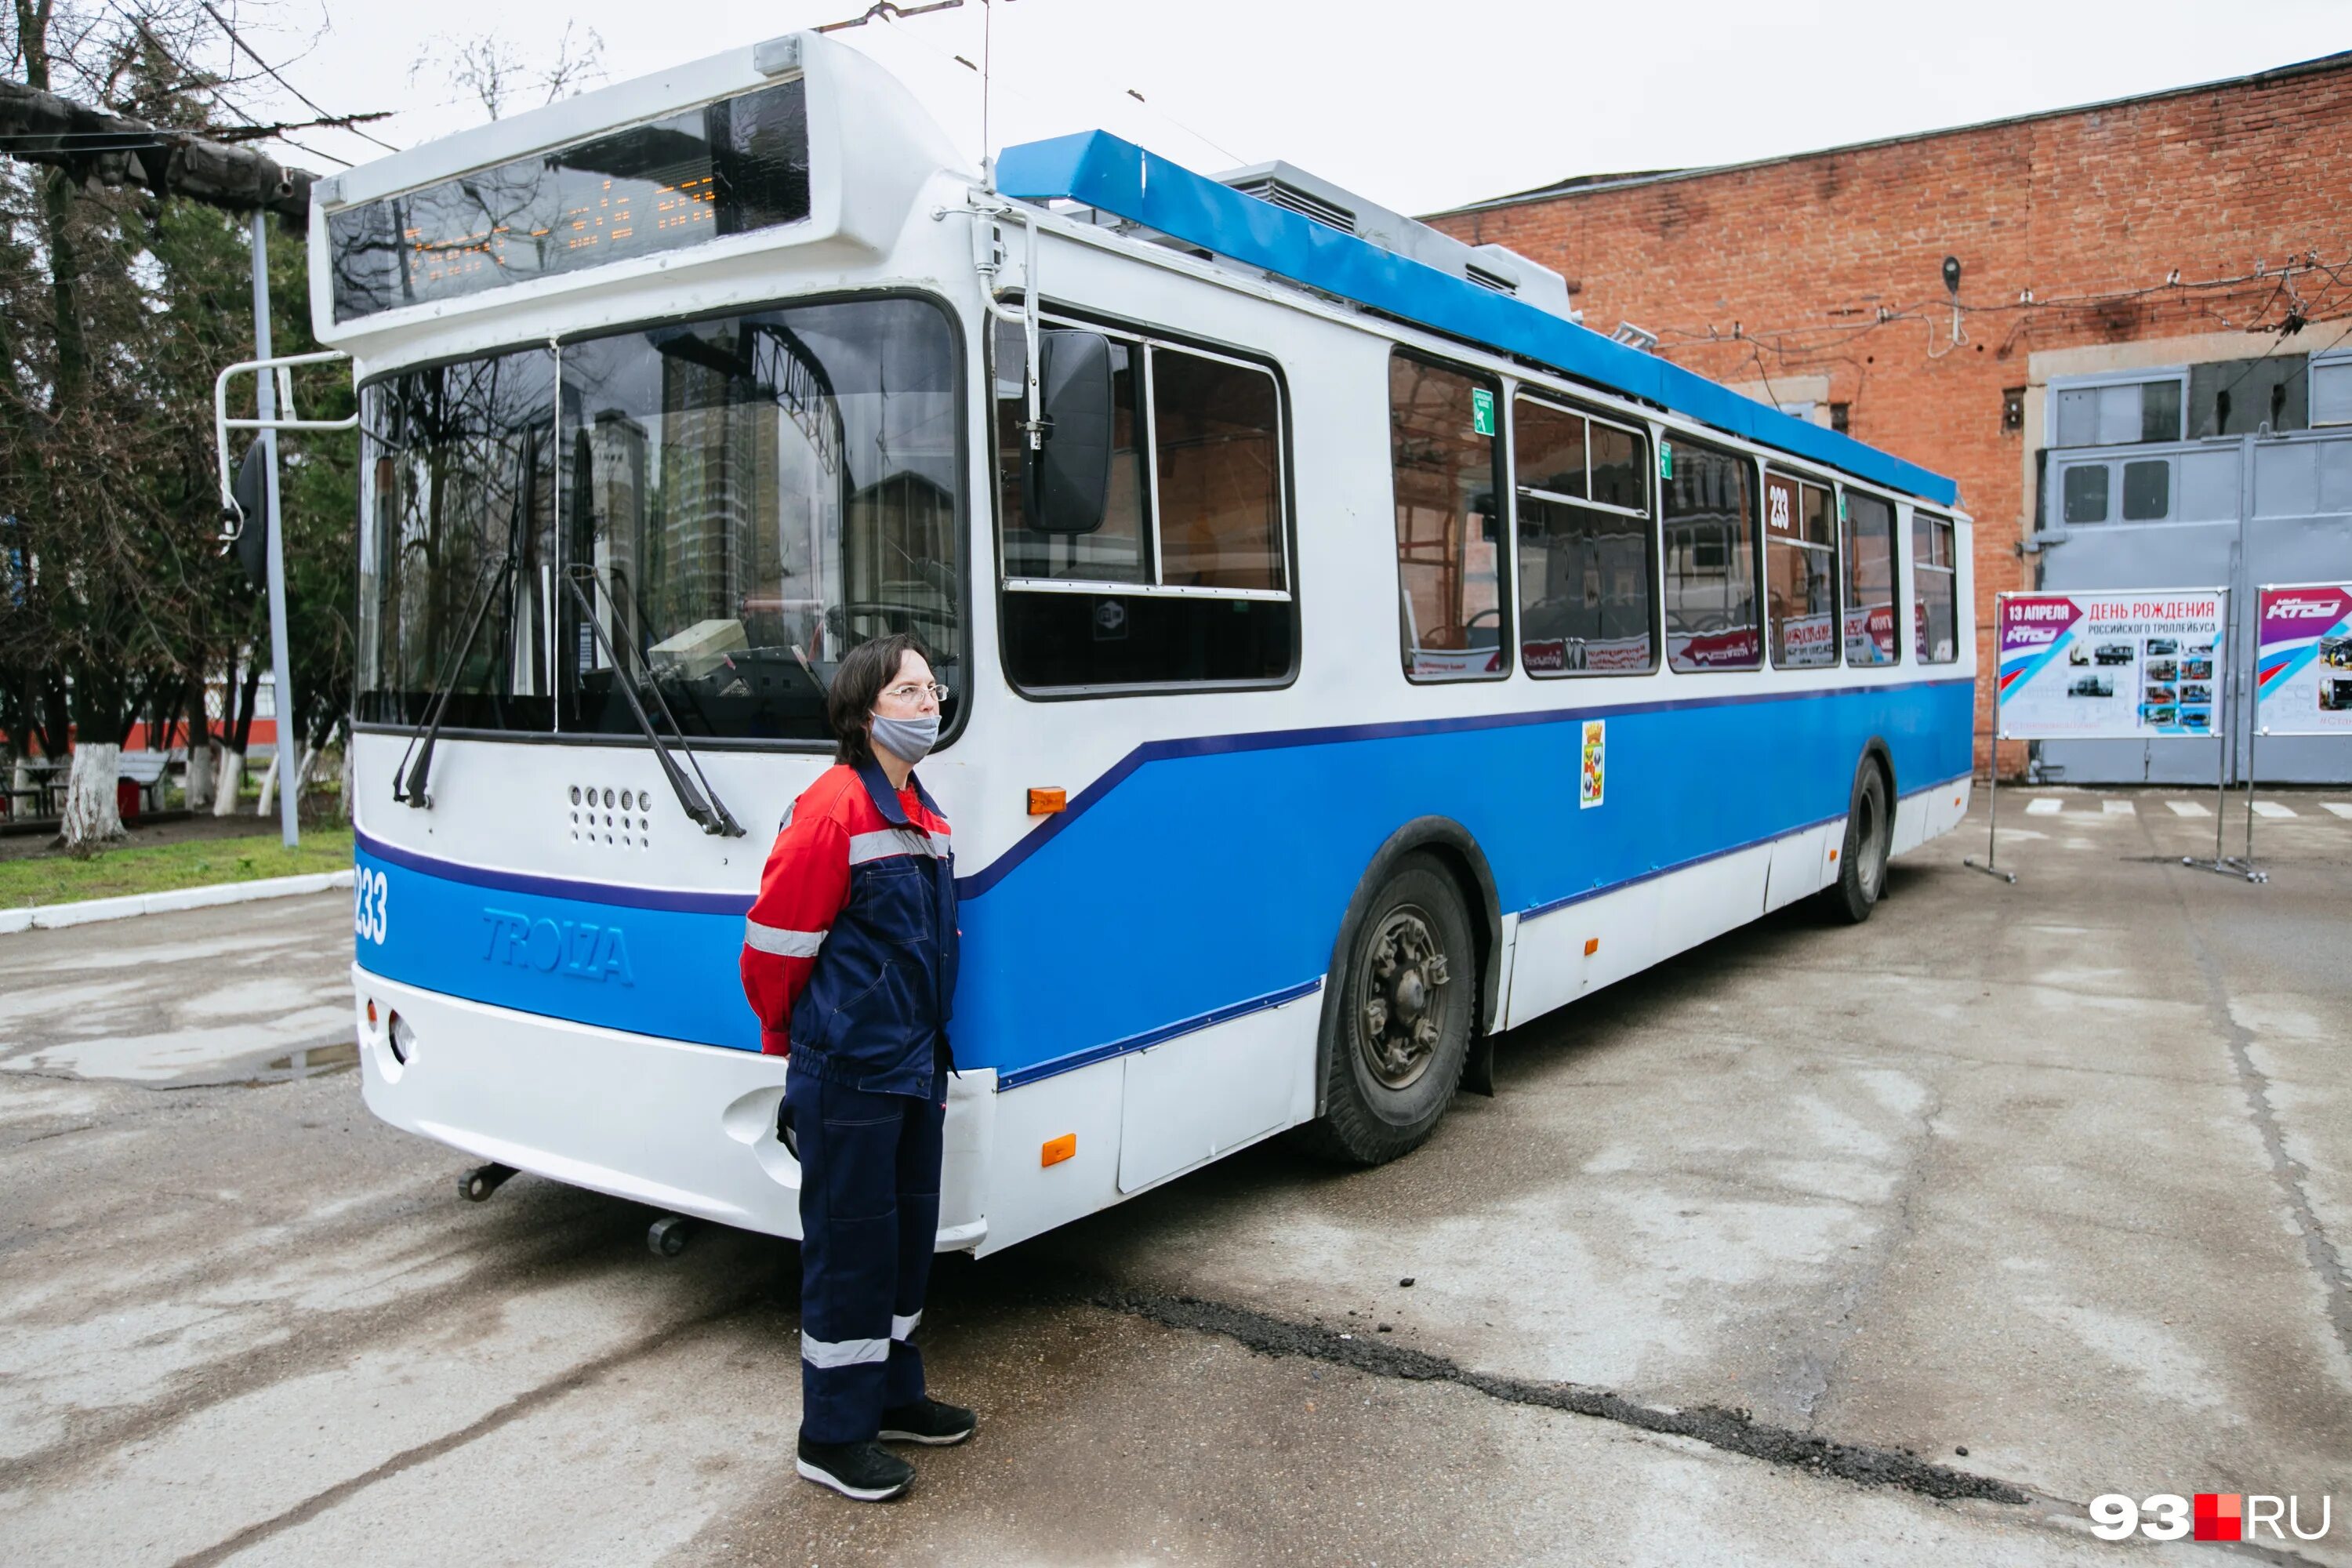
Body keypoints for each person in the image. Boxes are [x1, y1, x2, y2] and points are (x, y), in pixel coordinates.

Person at [740, 633, 975, 1502]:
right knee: (849, 1250)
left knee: (906, 1242)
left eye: (931, 690)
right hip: (848, 1071)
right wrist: (792, 1045)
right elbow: (773, 946)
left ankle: (892, 1394)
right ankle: (832, 1435)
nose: (928, 704)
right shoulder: (835, 804)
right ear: (863, 708)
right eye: (909, 692)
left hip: (913, 1069)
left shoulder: (924, 809)